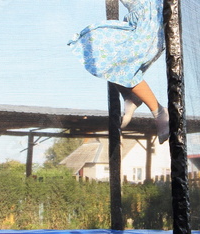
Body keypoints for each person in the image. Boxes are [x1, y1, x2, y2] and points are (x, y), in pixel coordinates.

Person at [68, 0, 169, 144]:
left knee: (124, 65)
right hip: (137, 20)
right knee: (107, 55)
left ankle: (159, 112)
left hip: (150, 18)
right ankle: (131, 96)